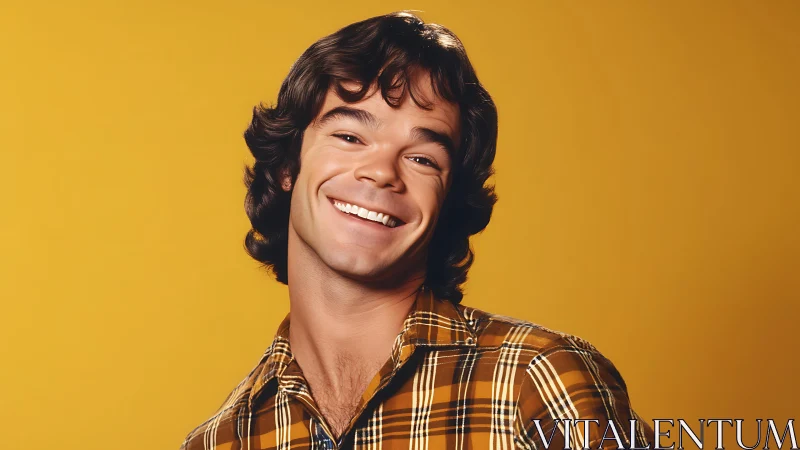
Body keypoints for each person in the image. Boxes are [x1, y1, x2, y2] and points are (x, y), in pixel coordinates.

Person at [180, 11, 655, 450]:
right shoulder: (224, 439)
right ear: (288, 165)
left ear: (447, 200)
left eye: (423, 158)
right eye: (349, 137)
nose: (382, 171)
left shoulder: (537, 382)